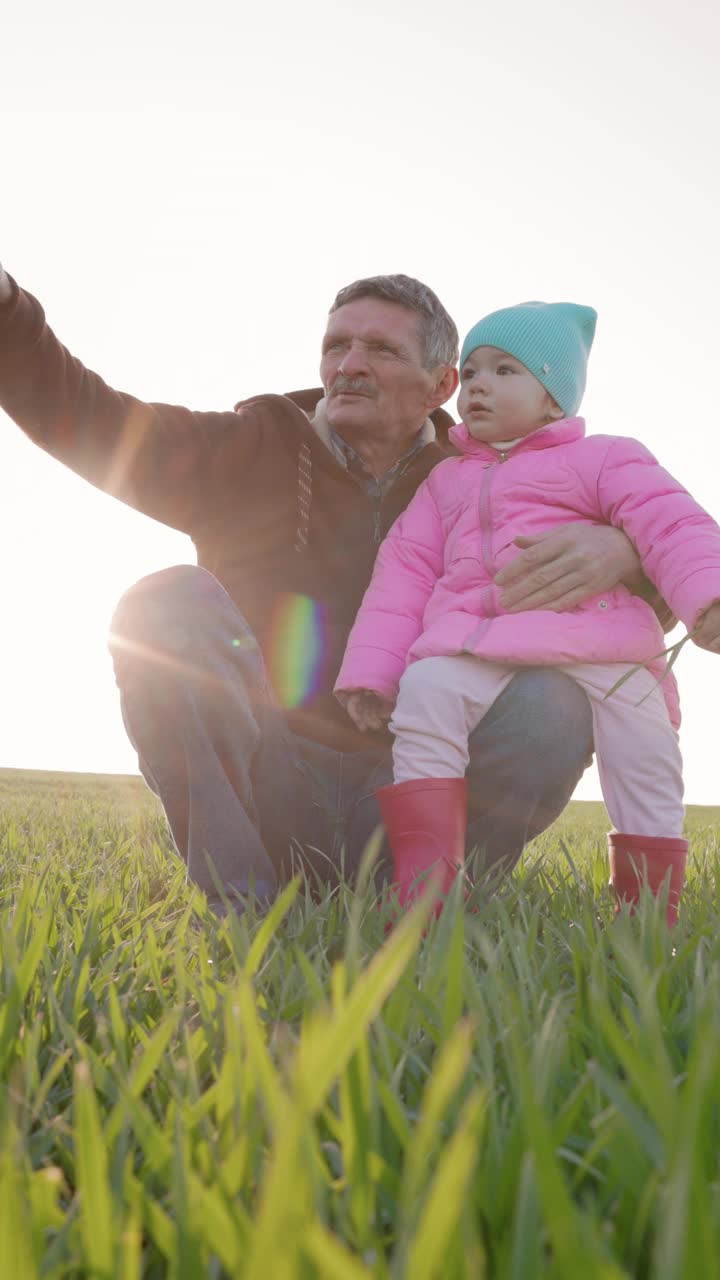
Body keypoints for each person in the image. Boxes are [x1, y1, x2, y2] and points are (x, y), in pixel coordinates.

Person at [0, 267, 655, 911]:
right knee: (162, 604)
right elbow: (90, 418)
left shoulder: (490, 479)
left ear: (441, 384)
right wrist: (7, 312)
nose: (350, 364)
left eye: (380, 349)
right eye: (336, 345)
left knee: (555, 701)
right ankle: (246, 907)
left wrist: (624, 554)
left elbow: (674, 554)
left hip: (414, 785)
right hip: (273, 780)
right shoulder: (250, 445)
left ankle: (428, 907)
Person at [335, 300, 720, 926]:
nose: (479, 384)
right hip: (476, 641)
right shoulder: (446, 482)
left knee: (646, 754)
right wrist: (373, 676)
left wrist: (708, 597)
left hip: (603, 643)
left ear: (554, 398)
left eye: (506, 370)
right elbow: (401, 577)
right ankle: (427, 886)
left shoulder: (606, 459)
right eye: (473, 370)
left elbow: (671, 524)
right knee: (427, 688)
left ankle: (650, 915)